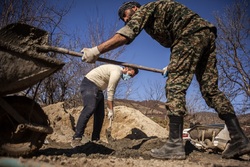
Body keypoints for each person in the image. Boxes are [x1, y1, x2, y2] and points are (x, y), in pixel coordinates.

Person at [81, 1, 250, 160]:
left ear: (134, 9)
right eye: (122, 18)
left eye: (125, 14)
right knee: (210, 90)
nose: (125, 19)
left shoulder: (145, 9)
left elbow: (126, 34)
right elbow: (177, 37)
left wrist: (96, 50)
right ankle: (238, 138)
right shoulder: (156, 16)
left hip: (189, 35)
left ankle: (175, 145)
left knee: (175, 87)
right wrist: (173, 64)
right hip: (205, 34)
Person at [71, 64, 139, 148]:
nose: (129, 77)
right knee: (90, 107)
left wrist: (110, 108)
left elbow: (111, 91)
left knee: (100, 115)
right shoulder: (117, 72)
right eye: (130, 75)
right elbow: (110, 92)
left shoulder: (118, 73)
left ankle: (95, 139)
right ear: (127, 68)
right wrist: (111, 110)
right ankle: (76, 138)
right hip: (89, 84)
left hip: (98, 89)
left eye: (131, 77)